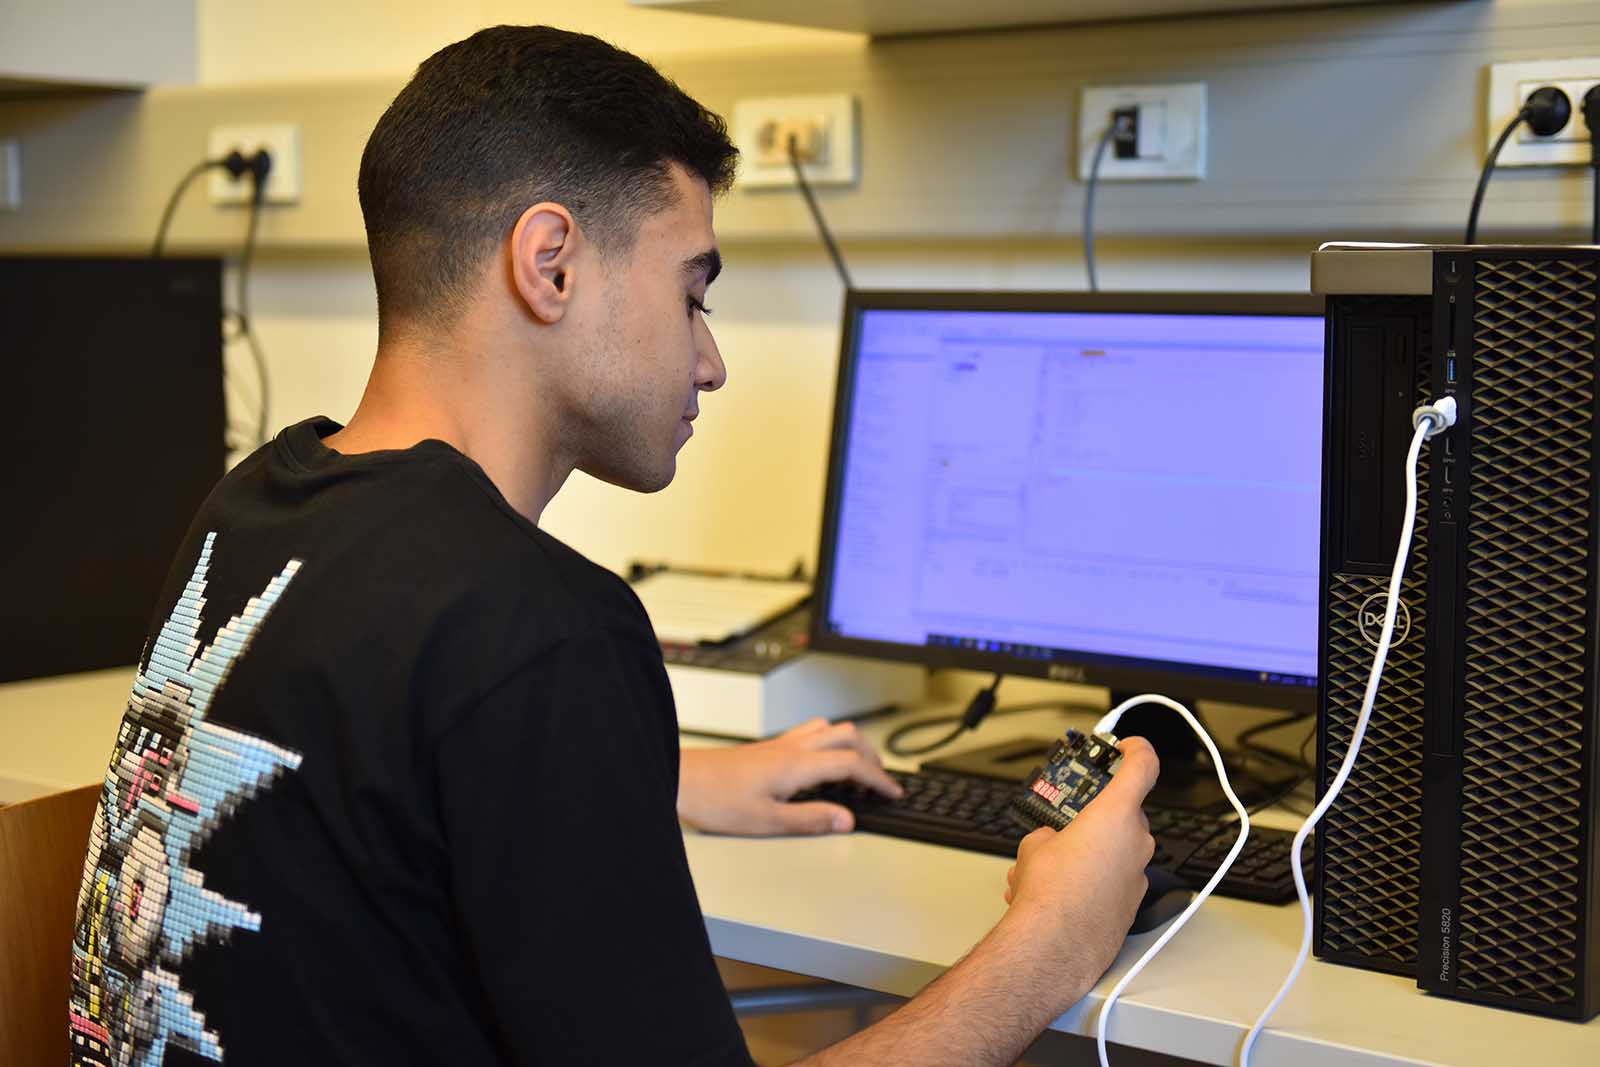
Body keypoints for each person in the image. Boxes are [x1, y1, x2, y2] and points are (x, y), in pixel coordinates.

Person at [67, 24, 1157, 1067]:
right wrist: (1057, 935)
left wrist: (660, 775)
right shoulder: (536, 627)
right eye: (693, 292)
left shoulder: (253, 507)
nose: (711, 360)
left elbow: (369, 771)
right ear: (550, 263)